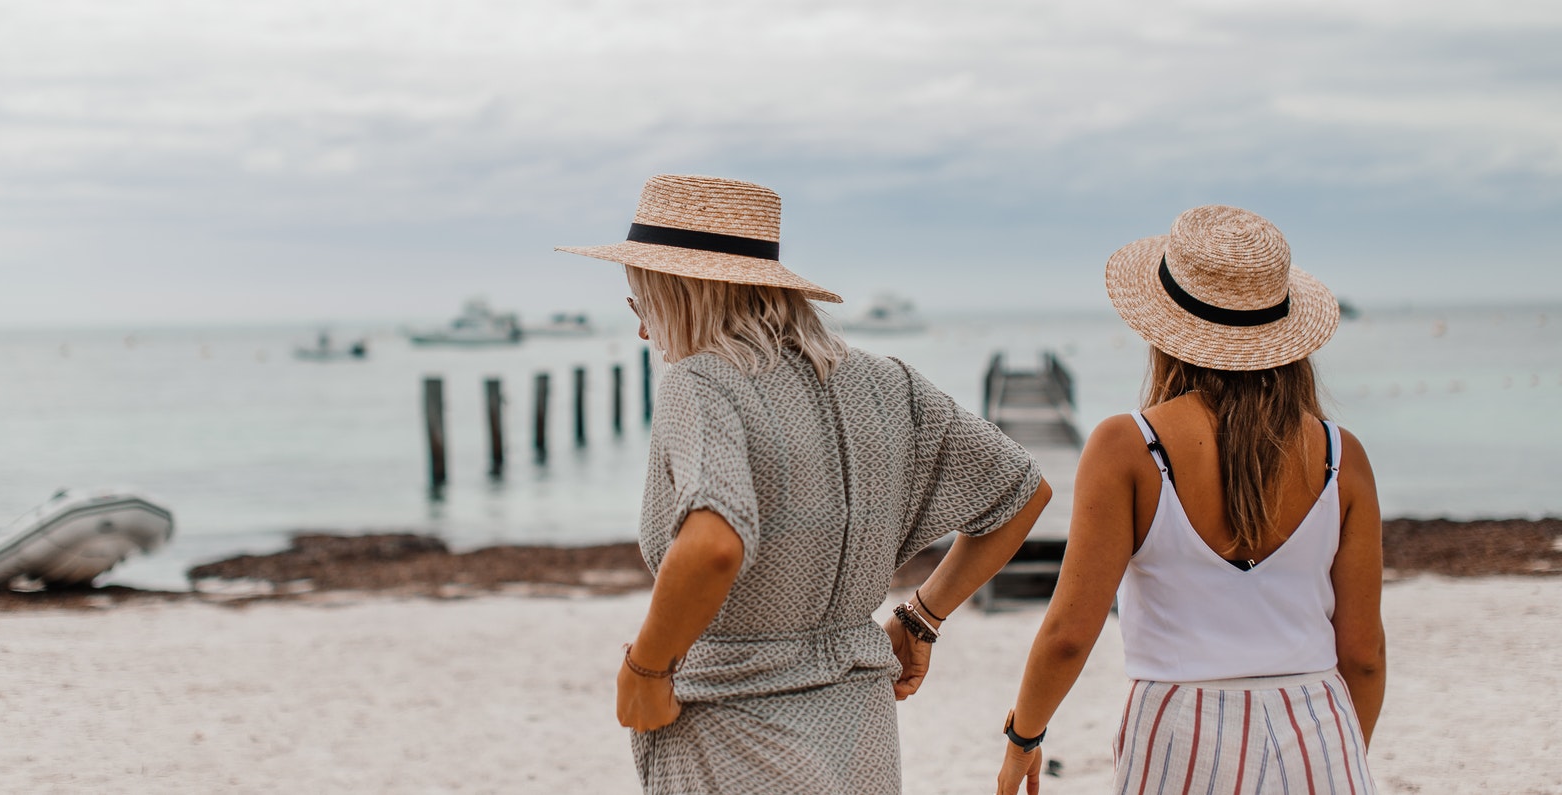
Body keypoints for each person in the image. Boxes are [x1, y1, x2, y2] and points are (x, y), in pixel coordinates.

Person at [557, 174, 1052, 795]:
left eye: (640, 305)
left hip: (731, 727)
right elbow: (1022, 492)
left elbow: (714, 544)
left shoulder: (703, 383)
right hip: (859, 729)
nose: (641, 332)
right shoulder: (886, 383)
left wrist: (646, 670)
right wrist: (921, 617)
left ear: (680, 291)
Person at [995, 205, 1384, 795]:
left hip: (1180, 727)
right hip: (1317, 720)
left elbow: (1070, 632)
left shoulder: (1127, 446)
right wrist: (1340, 749)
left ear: (1164, 328)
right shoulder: (1339, 453)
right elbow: (1364, 654)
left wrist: (1025, 736)